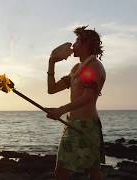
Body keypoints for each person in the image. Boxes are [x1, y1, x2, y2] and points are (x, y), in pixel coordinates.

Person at [46, 26, 106, 180]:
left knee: (92, 171)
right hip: (72, 125)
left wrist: (60, 110)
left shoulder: (94, 67)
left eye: (77, 41)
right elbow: (52, 89)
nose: (73, 45)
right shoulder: (76, 69)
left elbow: (88, 97)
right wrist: (52, 61)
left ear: (86, 45)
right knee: (63, 171)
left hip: (87, 126)